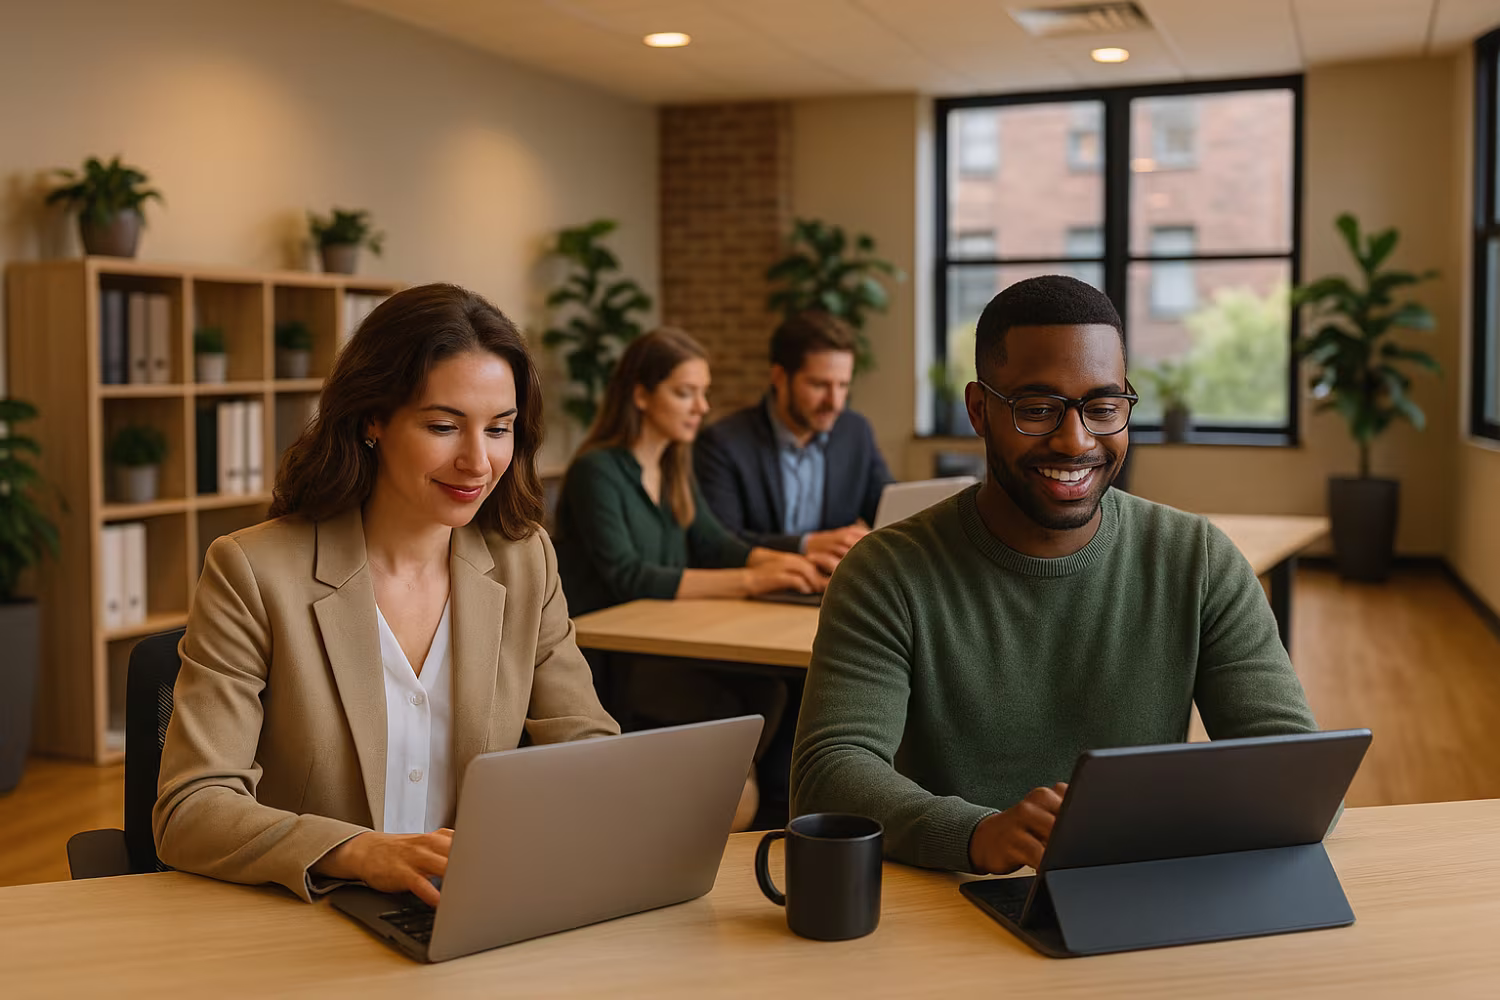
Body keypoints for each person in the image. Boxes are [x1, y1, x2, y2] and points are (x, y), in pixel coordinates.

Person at [791, 275, 1318, 876]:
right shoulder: (886, 572)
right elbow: (830, 774)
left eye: (1103, 408)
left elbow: (1296, 774)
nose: (1075, 441)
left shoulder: (1197, 560)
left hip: (1132, 887)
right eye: (1037, 410)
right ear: (979, 410)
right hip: (950, 896)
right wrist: (978, 834)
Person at [154, 284, 618, 906]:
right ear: (372, 418)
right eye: (443, 426)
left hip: (468, 908)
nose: (478, 461)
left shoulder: (524, 560)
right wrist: (360, 852)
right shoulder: (253, 571)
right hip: (313, 912)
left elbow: (586, 748)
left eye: (499, 429)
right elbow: (191, 807)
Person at [553, 326, 824, 826]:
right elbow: (630, 576)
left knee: (777, 689)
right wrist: (751, 581)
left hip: (662, 645)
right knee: (761, 695)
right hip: (612, 659)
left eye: (704, 392)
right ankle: (713, 807)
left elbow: (716, 544)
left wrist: (786, 565)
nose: (702, 407)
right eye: (685, 392)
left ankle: (730, 805)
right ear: (640, 395)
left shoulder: (675, 464)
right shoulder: (598, 471)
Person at [694, 311, 894, 569]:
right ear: (779, 377)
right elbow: (719, 544)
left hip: (832, 584)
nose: (834, 402)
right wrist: (805, 545)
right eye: (819, 385)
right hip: (757, 585)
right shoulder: (723, 443)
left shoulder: (855, 432)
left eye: (843, 385)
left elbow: (890, 514)